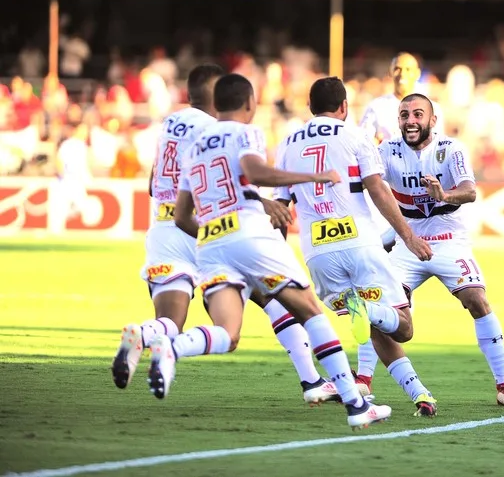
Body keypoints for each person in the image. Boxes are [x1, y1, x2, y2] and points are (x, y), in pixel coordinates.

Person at [150, 74, 392, 429]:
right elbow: (255, 170)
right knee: (310, 311)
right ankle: (356, 405)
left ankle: (171, 347)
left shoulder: (196, 145)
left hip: (212, 245)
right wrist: (312, 177)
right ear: (249, 103)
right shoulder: (247, 133)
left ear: (216, 105)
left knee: (228, 332)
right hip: (250, 236)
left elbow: (183, 214)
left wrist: (213, 235)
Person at [111, 65, 341, 406]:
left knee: (170, 320)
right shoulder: (216, 129)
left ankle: (144, 334)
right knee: (276, 298)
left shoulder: (171, 123)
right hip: (208, 228)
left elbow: (152, 184)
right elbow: (227, 177)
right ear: (217, 92)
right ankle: (312, 380)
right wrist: (260, 202)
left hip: (165, 228)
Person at [274, 76, 440, 416]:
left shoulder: (287, 142)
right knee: (402, 325)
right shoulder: (355, 135)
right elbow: (377, 190)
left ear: (310, 107)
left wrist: (277, 260)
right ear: (344, 107)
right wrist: (408, 235)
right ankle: (366, 311)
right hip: (359, 243)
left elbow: (280, 208)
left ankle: (420, 394)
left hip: (317, 252)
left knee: (374, 328)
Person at [355, 93, 504, 409]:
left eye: (418, 114)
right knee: (380, 306)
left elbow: (470, 191)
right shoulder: (387, 151)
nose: (410, 120)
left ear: (432, 120)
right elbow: (368, 180)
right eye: (404, 114)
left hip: (449, 240)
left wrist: (444, 194)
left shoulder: (451, 149)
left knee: (477, 300)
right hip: (408, 243)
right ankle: (363, 381)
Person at [359, 52, 444, 144]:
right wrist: (375, 144)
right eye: (397, 69)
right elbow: (363, 143)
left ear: (417, 74)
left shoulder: (433, 109)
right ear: (390, 72)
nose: (402, 74)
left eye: (408, 69)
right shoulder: (376, 107)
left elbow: (438, 146)